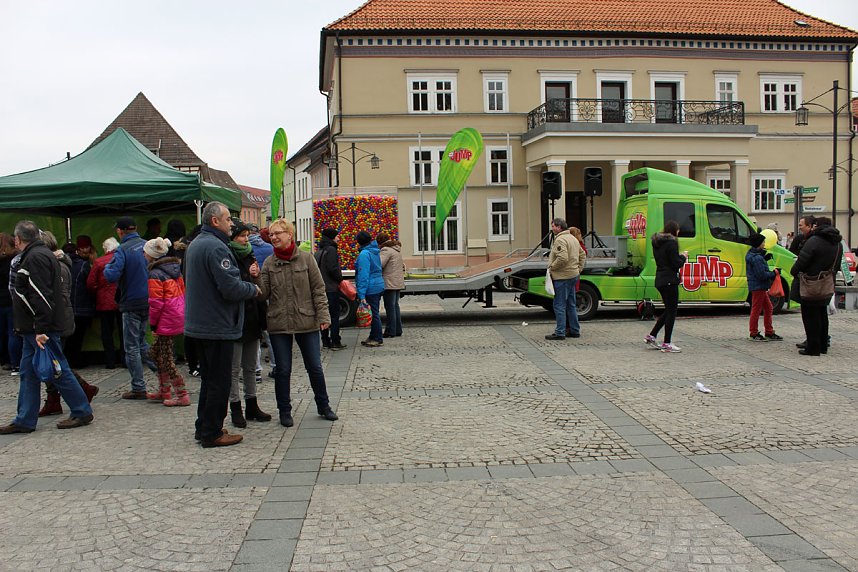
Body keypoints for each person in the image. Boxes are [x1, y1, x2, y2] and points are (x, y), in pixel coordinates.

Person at [0, 221, 94, 434]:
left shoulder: (35, 257)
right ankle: (25, 418)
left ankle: (81, 410)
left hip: (39, 327)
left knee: (58, 369)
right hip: (34, 327)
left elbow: (41, 295)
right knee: (29, 372)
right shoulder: (40, 254)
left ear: (18, 239)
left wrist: (40, 328)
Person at [185, 202, 259, 447]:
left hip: (202, 322)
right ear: (215, 221)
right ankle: (212, 432)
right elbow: (230, 288)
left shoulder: (196, 244)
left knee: (209, 379)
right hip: (217, 323)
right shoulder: (216, 248)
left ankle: (203, 426)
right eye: (228, 219)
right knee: (219, 380)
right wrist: (252, 288)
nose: (231, 223)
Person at [259, 219, 338, 428]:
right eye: (271, 234)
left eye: (278, 233)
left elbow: (318, 290)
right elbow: (263, 294)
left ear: (289, 235)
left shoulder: (306, 259)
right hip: (279, 322)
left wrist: (323, 317)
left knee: (315, 367)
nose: (274, 237)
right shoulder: (268, 263)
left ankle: (324, 405)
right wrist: (256, 277)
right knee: (283, 370)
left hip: (306, 320)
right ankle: (284, 411)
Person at [36, 231, 99, 417]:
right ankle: (62, 397)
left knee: (56, 364)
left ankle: (77, 395)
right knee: (55, 362)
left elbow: (54, 298)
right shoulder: (59, 264)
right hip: (60, 318)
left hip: (57, 321)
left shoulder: (57, 267)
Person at [104, 216, 157, 399]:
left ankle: (138, 387)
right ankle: (165, 375)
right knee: (142, 343)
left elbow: (111, 275)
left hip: (131, 302)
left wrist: (107, 266)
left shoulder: (122, 250)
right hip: (148, 299)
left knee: (132, 346)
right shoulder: (147, 245)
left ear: (120, 231)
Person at [227, 220, 271, 426]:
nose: (245, 240)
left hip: (253, 318)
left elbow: (261, 293)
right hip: (235, 320)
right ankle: (236, 408)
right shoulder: (228, 256)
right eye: (241, 236)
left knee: (250, 367)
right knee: (234, 369)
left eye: (246, 236)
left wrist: (257, 276)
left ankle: (252, 405)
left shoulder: (250, 255)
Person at [142, 237, 190, 406]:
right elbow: (184, 293)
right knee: (155, 353)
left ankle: (181, 394)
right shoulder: (176, 269)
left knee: (166, 357)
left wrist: (153, 324)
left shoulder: (155, 274)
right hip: (177, 315)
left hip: (165, 319)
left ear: (151, 255)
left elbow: (156, 302)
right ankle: (164, 390)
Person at [789, 217, 842, 356]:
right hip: (827, 283)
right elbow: (836, 265)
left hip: (811, 283)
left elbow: (803, 261)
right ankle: (823, 345)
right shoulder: (837, 243)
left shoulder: (814, 241)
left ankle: (813, 347)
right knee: (822, 315)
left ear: (817, 226)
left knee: (810, 316)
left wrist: (794, 271)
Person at [644, 220, 687, 353]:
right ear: (674, 231)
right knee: (672, 312)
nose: (679, 232)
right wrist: (684, 257)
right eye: (678, 230)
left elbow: (666, 260)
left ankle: (652, 335)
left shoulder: (657, 243)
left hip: (660, 279)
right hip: (669, 280)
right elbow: (675, 263)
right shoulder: (672, 242)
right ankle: (667, 343)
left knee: (668, 310)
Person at [545, 218, 586, 341]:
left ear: (559, 227)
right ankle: (574, 330)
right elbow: (582, 254)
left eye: (553, 226)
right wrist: (578, 269)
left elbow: (562, 258)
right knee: (571, 304)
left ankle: (560, 332)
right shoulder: (573, 238)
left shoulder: (560, 239)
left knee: (559, 305)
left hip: (562, 277)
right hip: (573, 275)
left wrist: (552, 267)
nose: (552, 228)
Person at [87, 237, 123, 369]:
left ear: (106, 248)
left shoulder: (98, 262)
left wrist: (98, 291)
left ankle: (110, 361)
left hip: (104, 302)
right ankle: (125, 360)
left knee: (107, 333)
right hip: (121, 301)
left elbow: (91, 283)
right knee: (123, 332)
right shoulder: (122, 260)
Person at [63, 236, 97, 368]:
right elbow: (90, 284)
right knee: (78, 336)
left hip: (66, 306)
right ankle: (76, 360)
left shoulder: (60, 265)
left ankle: (68, 360)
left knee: (69, 336)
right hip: (82, 306)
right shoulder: (83, 265)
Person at [745, 233, 783, 342]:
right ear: (759, 244)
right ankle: (754, 333)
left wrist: (764, 258)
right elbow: (761, 275)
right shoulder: (756, 258)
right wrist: (774, 273)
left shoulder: (754, 255)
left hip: (757, 286)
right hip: (759, 286)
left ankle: (769, 331)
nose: (764, 244)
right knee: (757, 309)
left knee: (768, 307)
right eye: (763, 242)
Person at [315, 227, 347, 350]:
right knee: (334, 316)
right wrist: (340, 280)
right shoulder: (331, 250)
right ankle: (335, 341)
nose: (338, 238)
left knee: (323, 316)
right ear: (332, 237)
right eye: (337, 236)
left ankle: (325, 341)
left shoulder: (319, 251)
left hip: (320, 288)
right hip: (331, 288)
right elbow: (333, 268)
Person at [355, 230, 385, 347]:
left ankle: (377, 338)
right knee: (374, 312)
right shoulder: (374, 251)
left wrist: (361, 294)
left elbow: (363, 275)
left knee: (374, 313)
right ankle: (373, 336)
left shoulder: (364, 254)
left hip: (371, 287)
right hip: (378, 284)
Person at [376, 232, 404, 338]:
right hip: (397, 281)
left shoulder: (386, 250)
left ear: (380, 242)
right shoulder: (395, 249)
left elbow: (380, 264)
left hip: (389, 282)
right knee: (395, 306)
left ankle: (390, 331)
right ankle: (398, 329)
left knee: (390, 307)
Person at [0, 233, 15, 372]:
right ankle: (12, 361)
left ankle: (3, 359)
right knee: (12, 332)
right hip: (10, 300)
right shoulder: (12, 261)